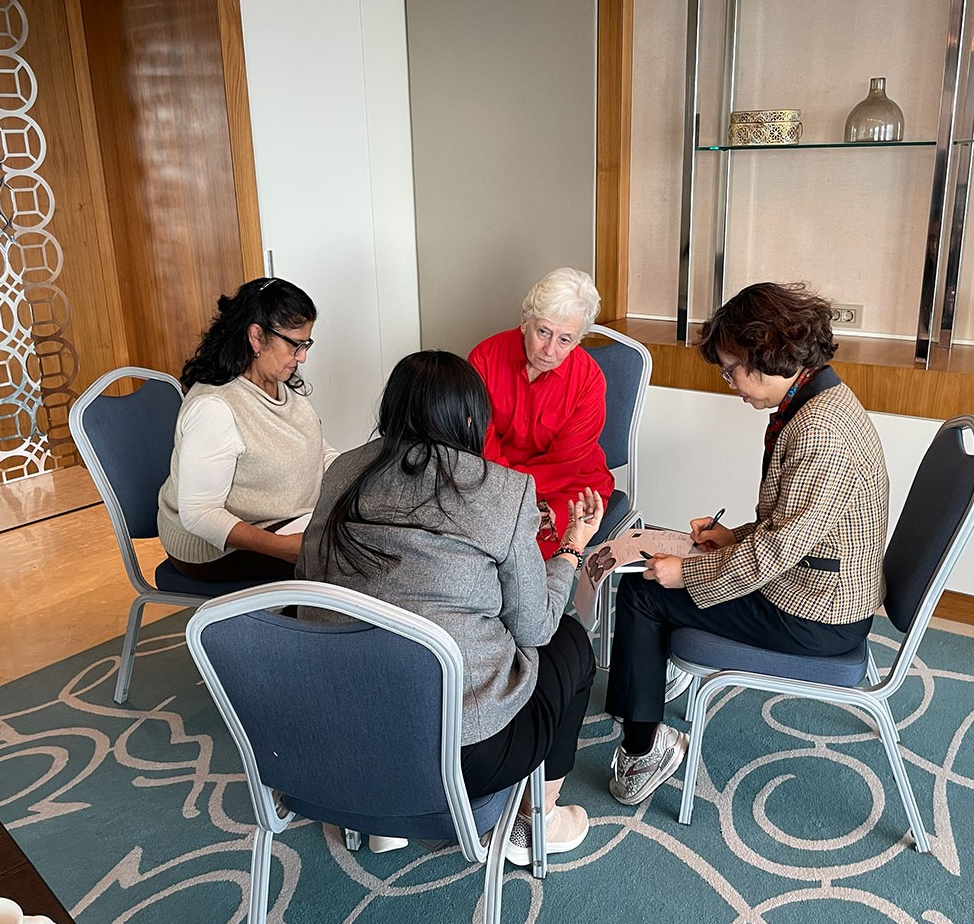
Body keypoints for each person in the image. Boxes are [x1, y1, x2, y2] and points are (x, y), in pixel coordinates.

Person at [296, 350, 603, 864]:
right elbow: (535, 626)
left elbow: (308, 579)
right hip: (459, 755)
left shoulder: (342, 471)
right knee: (568, 639)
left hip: (342, 732)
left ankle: (383, 822)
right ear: (471, 419)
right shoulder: (503, 489)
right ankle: (537, 822)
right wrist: (571, 548)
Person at [604, 282, 889, 808]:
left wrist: (687, 573)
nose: (731, 383)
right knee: (670, 576)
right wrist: (732, 537)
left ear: (766, 356)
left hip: (817, 615)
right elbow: (796, 527)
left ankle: (643, 752)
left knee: (645, 592)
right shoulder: (820, 400)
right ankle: (650, 680)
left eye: (731, 369)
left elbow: (778, 551)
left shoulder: (820, 431)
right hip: (818, 586)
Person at [157, 276, 338, 582]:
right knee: (353, 562)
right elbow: (200, 514)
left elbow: (315, 449)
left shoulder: (279, 382)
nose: (302, 357)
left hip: (284, 522)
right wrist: (283, 548)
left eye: (306, 344)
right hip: (217, 551)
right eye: (295, 345)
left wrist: (357, 479)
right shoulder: (215, 408)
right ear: (256, 336)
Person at [468, 268, 614, 556]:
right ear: (525, 322)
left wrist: (520, 502)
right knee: (471, 539)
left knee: (528, 546)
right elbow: (479, 441)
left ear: (578, 340)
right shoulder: (484, 358)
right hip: (493, 478)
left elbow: (564, 464)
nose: (549, 350)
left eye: (565, 340)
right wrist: (508, 496)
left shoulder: (589, 380)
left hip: (567, 484)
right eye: (543, 332)